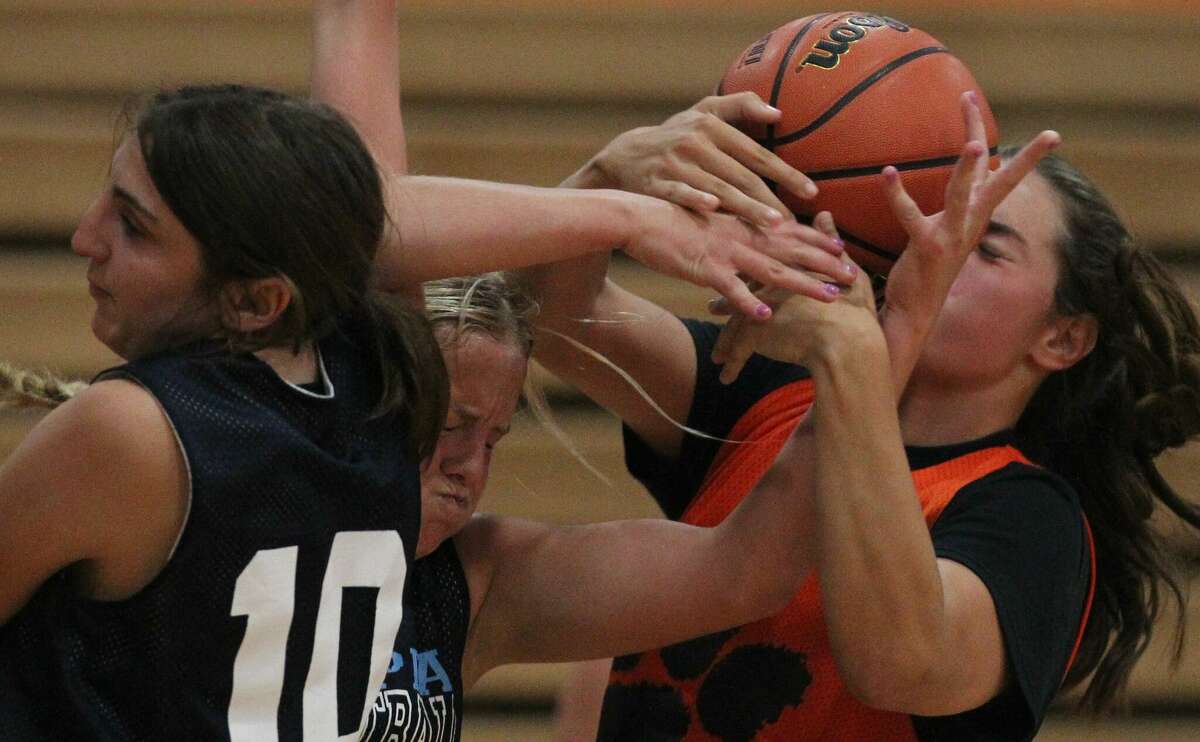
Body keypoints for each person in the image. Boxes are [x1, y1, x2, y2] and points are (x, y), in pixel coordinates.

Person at [530, 94, 1200, 739]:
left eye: (982, 245)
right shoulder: (769, 395)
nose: (931, 250)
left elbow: (898, 663)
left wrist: (854, 353)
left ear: (1063, 338)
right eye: (928, 223)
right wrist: (605, 181)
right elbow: (553, 314)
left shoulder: (1030, 518)